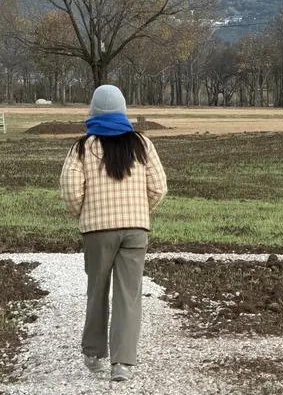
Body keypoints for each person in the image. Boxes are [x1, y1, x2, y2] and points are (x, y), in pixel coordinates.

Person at [59, 84, 167, 383]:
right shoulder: (142, 144)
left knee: (97, 290)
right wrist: (141, 212)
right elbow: (158, 187)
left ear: (92, 112)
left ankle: (94, 354)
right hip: (136, 229)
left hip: (97, 231)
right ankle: (122, 362)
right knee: (128, 294)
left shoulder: (82, 147)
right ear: (123, 111)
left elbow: (70, 192)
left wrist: (82, 213)